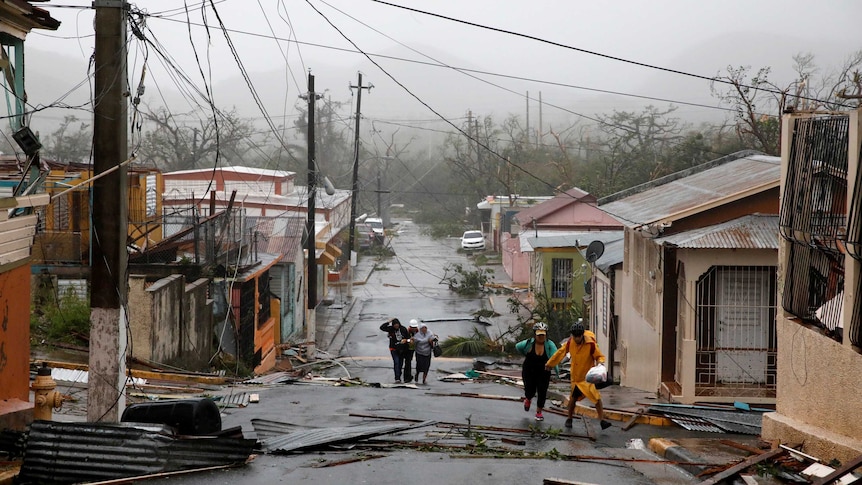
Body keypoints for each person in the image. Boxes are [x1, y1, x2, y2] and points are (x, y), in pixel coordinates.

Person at [545, 320, 612, 430]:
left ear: (582, 335)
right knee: (573, 399)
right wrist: (550, 364)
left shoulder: (591, 344)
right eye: (575, 336)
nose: (577, 338)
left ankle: (602, 420)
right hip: (576, 378)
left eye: (578, 336)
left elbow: (599, 356)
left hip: (588, 378)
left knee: (597, 398)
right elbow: (560, 353)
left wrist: (600, 363)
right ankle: (569, 418)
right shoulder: (570, 343)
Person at [515, 322, 558, 421]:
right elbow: (518, 347)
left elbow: (556, 356)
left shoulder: (550, 345)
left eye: (543, 335)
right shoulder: (529, 343)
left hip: (543, 371)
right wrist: (526, 353)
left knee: (542, 391)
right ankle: (528, 399)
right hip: (529, 370)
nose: (541, 337)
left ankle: (539, 412)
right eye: (539, 335)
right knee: (529, 389)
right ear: (535, 334)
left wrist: (554, 367)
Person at [380, 318, 410, 382]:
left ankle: (399, 373)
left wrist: (406, 341)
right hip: (394, 349)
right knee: (396, 362)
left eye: (397, 325)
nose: (396, 326)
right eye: (395, 325)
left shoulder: (403, 329)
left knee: (400, 363)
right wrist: (388, 322)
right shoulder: (390, 329)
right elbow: (382, 327)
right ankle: (397, 378)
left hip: (402, 349)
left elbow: (408, 338)